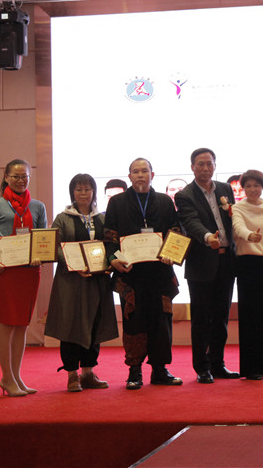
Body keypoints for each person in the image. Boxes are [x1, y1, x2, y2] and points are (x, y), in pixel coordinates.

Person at [105, 158, 182, 388]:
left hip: (160, 273)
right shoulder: (117, 202)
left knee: (162, 322)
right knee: (133, 321)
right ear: (129, 176)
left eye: (144, 171)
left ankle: (160, 369)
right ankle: (134, 371)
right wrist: (113, 259)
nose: (140, 175)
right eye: (136, 171)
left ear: (152, 175)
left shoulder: (165, 201)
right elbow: (109, 237)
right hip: (130, 274)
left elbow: (176, 231)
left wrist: (171, 254)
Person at [0, 159, 47, 397]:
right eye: (16, 176)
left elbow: (43, 238)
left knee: (22, 325)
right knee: (7, 323)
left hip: (29, 272)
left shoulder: (37, 206)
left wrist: (41, 255)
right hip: (6, 272)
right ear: (6, 177)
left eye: (25, 176)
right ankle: (6, 377)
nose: (20, 180)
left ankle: (16, 376)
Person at [44, 173, 119, 392]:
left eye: (87, 189)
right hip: (71, 281)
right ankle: (72, 375)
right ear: (72, 192)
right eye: (79, 189)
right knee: (69, 325)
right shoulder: (62, 218)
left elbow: (110, 244)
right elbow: (53, 246)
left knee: (95, 324)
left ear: (94, 192)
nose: (83, 193)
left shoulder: (102, 218)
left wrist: (109, 261)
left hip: (97, 280)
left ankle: (88, 372)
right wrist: (74, 263)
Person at [175, 148, 239, 384]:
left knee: (221, 317)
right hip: (201, 263)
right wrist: (206, 237)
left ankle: (218, 364)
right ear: (192, 167)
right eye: (200, 164)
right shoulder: (184, 195)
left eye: (209, 164)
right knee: (202, 319)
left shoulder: (225, 189)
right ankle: (202, 367)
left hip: (226, 261)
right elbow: (191, 222)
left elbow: (234, 219)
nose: (205, 168)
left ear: (215, 166)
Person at [231, 169, 263, 380]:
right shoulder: (237, 208)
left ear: (262, 187)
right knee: (250, 315)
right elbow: (238, 228)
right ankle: (251, 368)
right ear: (243, 188)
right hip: (248, 264)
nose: (253, 189)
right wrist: (249, 235)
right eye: (248, 186)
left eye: (257, 185)